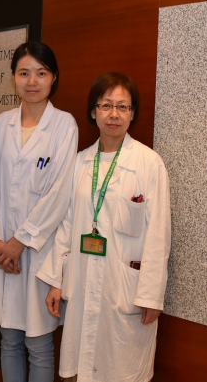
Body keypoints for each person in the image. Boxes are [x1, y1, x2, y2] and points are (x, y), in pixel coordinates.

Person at [36, 72, 171, 381]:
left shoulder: (150, 164)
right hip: (83, 280)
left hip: (125, 288)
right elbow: (66, 225)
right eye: (106, 105)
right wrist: (56, 280)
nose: (114, 114)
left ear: (133, 113)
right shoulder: (80, 162)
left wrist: (151, 296)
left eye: (123, 107)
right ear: (93, 111)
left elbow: (159, 236)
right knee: (82, 368)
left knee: (121, 368)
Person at [0, 41, 78, 382]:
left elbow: (58, 195)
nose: (32, 81)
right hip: (3, 251)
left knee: (38, 342)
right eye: (24, 73)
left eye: (41, 73)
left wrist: (19, 242)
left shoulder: (64, 126)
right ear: (13, 79)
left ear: (53, 79)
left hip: (39, 251)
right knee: (8, 339)